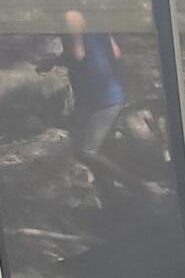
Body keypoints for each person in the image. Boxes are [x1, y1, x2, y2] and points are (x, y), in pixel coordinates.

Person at [49, 10, 128, 165]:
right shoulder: (94, 15)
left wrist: (51, 62)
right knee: (77, 146)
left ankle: (136, 182)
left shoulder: (71, 16)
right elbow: (116, 52)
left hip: (99, 98)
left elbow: (77, 54)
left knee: (85, 151)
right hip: (107, 93)